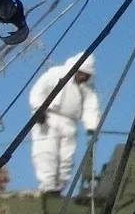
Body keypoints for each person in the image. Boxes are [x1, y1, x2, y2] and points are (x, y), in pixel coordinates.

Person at [28, 61, 105, 194]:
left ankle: (59, 186)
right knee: (47, 152)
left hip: (70, 123)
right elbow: (38, 91)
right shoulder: (55, 74)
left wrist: (92, 126)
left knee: (66, 156)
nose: (82, 78)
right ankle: (47, 184)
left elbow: (91, 107)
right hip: (48, 118)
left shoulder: (87, 88)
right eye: (81, 74)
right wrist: (38, 109)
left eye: (86, 75)